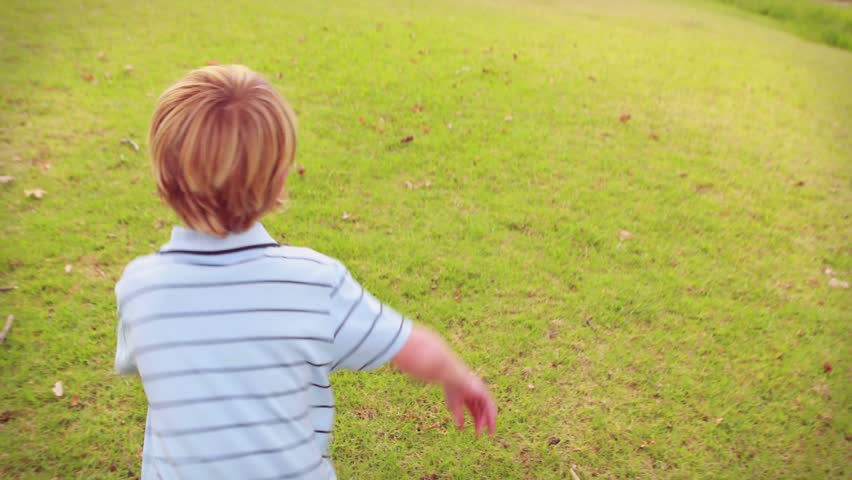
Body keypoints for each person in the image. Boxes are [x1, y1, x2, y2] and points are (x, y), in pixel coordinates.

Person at [114, 64, 497, 479]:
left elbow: (145, 362)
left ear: (163, 180)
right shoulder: (313, 283)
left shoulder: (138, 286)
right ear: (279, 183)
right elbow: (417, 350)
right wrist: (460, 378)